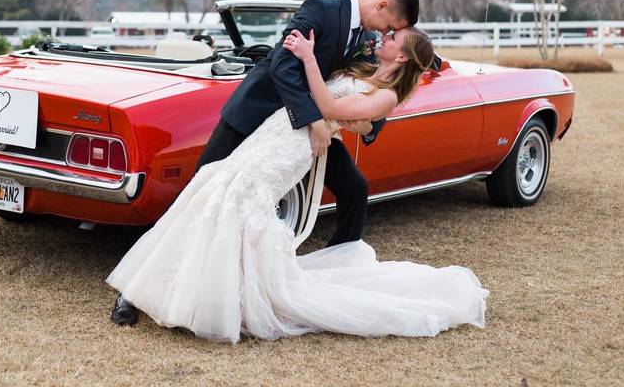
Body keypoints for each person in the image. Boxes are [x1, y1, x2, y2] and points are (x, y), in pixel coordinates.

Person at [105, 24, 488, 342]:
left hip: (295, 147)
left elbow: (330, 107)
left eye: (393, 39)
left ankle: (217, 298)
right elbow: (337, 109)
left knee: (238, 198)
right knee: (216, 187)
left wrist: (307, 59)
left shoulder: (385, 96)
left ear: (402, 56)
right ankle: (170, 287)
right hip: (277, 130)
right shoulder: (364, 69)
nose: (384, 38)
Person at [111, 0, 420, 325]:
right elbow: (283, 68)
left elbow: (373, 89)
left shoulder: (367, 40)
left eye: (392, 34)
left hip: (302, 134)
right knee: (200, 193)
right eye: (391, 26)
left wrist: (362, 122)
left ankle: (338, 268)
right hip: (259, 116)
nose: (385, 34)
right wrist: (316, 120)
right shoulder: (319, 10)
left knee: (354, 188)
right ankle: (134, 292)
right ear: (382, 7)